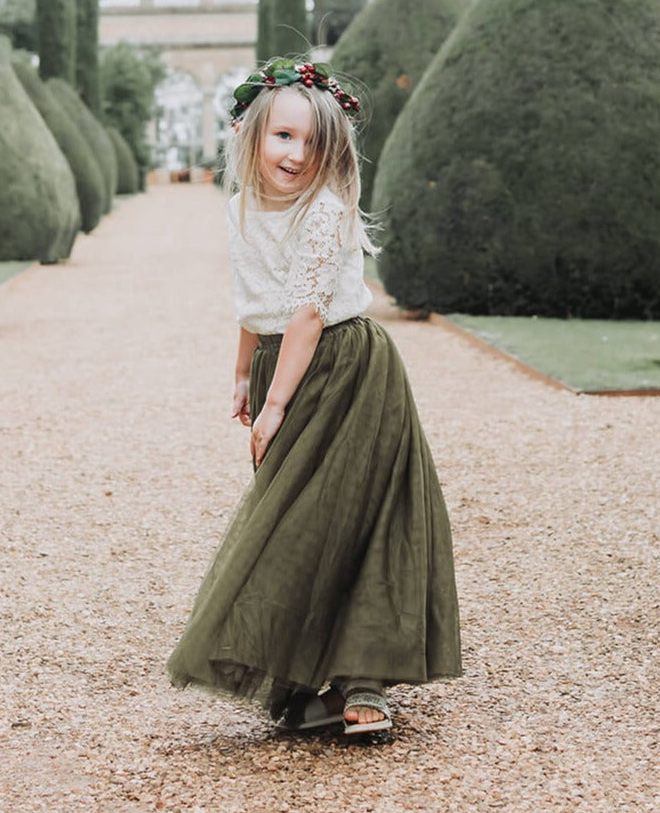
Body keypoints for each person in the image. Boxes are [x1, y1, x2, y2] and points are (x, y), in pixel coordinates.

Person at [167, 56, 461, 736]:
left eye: (311, 142)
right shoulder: (240, 208)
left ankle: (363, 682)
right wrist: (244, 376)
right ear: (252, 135)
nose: (296, 155)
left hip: (346, 368)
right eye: (282, 137)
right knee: (300, 522)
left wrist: (273, 408)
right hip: (285, 367)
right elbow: (254, 305)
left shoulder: (323, 211)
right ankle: (317, 675)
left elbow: (303, 313)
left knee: (354, 514)